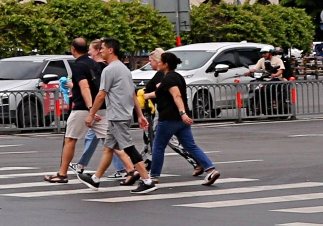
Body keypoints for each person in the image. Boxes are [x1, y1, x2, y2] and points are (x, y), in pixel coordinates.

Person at [80, 38, 152, 192]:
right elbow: (132, 93)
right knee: (108, 148)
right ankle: (95, 179)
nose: (100, 51)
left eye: (103, 48)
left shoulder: (110, 69)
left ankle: (147, 181)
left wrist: (91, 115)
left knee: (129, 148)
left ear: (110, 50)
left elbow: (101, 95)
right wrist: (139, 115)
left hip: (117, 115)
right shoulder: (124, 69)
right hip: (121, 114)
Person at [149, 50, 220, 185]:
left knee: (158, 147)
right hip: (180, 120)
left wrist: (183, 113)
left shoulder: (169, 78)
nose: (158, 63)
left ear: (166, 64)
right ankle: (210, 170)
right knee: (190, 146)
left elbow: (176, 96)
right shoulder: (177, 77)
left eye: (160, 62)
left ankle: (153, 176)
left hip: (169, 118)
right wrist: (144, 96)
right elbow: (159, 93)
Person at [46, 38, 100, 183]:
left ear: (73, 49)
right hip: (100, 106)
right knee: (111, 141)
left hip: (83, 107)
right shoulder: (93, 63)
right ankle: (131, 169)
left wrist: (90, 109)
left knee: (70, 139)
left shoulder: (78, 65)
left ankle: (62, 174)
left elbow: (85, 87)